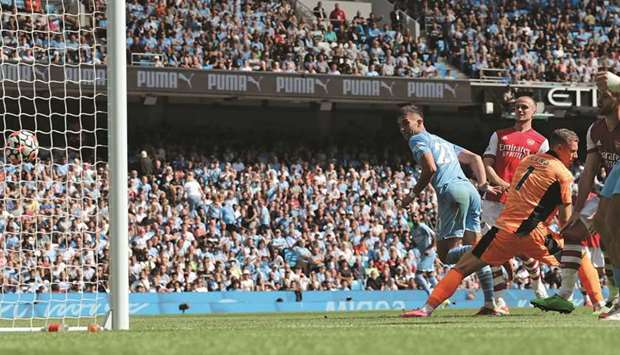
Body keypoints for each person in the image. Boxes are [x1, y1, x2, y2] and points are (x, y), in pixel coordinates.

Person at [401, 128, 579, 318]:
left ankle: (426, 309)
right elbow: (565, 220)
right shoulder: (563, 174)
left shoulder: (527, 161)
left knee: (461, 268)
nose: (576, 156)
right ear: (560, 148)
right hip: (534, 232)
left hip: (502, 231)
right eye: (573, 151)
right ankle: (590, 301)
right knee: (576, 254)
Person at [398, 104, 503, 315]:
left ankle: (491, 248)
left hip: (452, 193)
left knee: (445, 256)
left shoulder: (417, 139)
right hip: (471, 192)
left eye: (406, 123)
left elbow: (430, 168)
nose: (403, 128)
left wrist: (412, 195)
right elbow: (475, 158)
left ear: (419, 122)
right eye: (400, 125)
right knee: (475, 253)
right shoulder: (441, 141)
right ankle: (491, 302)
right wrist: (482, 185)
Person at [532, 71, 620, 317]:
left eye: (605, 95)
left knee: (614, 237)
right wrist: (579, 210)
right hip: (612, 189)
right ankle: (564, 295)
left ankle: (615, 299)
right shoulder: (595, 130)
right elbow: (589, 173)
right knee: (572, 231)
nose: (599, 99)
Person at [481, 96, 550, 312]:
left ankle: (538, 286)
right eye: (517, 107)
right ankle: (500, 300)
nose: (520, 110)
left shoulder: (541, 142)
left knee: (523, 250)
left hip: (521, 203)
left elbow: (542, 175)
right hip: (494, 201)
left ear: (534, 111)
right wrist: (502, 183)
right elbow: (487, 164)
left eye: (524, 107)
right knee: (491, 250)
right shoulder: (499, 135)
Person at [411, 212, 437, 295]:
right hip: (423, 254)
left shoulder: (422, 226)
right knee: (430, 275)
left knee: (418, 275)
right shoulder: (413, 229)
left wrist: (430, 248)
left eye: (415, 216)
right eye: (412, 217)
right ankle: (444, 297)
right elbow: (416, 242)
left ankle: (430, 294)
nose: (413, 218)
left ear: (419, 217)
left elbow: (434, 235)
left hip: (428, 254)